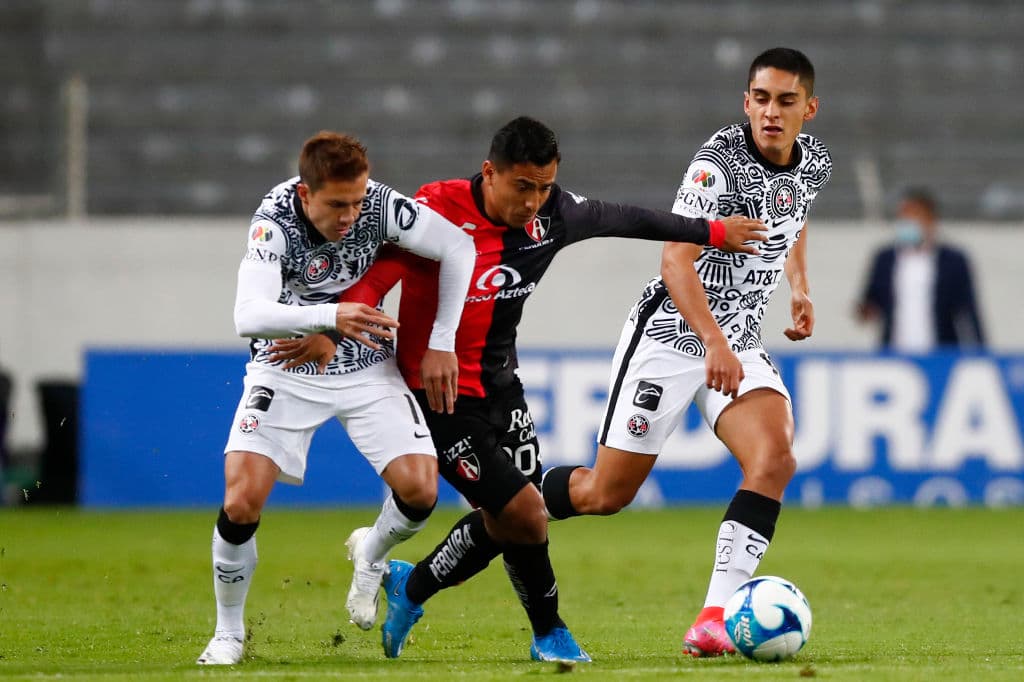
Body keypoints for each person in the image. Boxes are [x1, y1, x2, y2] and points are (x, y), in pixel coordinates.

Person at [269, 116, 768, 663]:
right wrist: (331, 324)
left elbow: (626, 217)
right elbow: (386, 264)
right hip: (439, 397)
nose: (534, 201)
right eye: (522, 187)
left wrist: (714, 232)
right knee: (526, 514)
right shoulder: (438, 207)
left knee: (505, 520)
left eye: (544, 187)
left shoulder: (554, 216)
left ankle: (410, 590)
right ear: (490, 173)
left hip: (502, 387)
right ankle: (549, 633)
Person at [539, 47, 832, 657]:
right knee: (604, 495)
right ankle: (509, 500)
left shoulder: (816, 162)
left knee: (775, 460)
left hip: (740, 340)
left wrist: (797, 285)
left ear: (809, 107)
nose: (770, 112)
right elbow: (675, 260)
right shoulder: (718, 164)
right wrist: (714, 345)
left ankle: (715, 617)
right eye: (760, 98)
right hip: (673, 336)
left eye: (784, 101)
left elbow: (796, 215)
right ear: (745, 100)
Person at [196, 131, 475, 665]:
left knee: (420, 492)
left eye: (357, 200)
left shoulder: (380, 205)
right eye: (336, 204)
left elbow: (458, 246)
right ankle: (228, 633)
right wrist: (330, 316)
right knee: (239, 501)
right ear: (306, 194)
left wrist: (441, 342)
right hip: (286, 367)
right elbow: (246, 315)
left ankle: (370, 554)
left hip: (368, 365)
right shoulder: (274, 220)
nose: (351, 214)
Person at [855, 187, 985, 351]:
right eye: (903, 216)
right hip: (894, 352)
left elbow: (968, 312)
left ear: (930, 220)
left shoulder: (953, 262)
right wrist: (865, 310)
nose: (906, 222)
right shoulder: (885, 259)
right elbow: (871, 301)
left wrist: (982, 354)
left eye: (913, 216)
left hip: (940, 352)